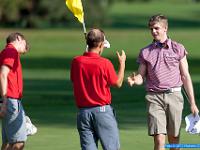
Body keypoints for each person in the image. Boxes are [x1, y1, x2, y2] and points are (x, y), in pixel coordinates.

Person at [127, 14, 199, 150]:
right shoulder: (145, 52)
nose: (153, 31)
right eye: (151, 29)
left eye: (156, 28)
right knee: (159, 140)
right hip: (154, 98)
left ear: (165, 28)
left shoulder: (178, 48)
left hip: (174, 97)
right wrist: (135, 80)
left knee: (174, 140)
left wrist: (193, 103)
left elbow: (185, 76)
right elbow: (141, 75)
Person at [70, 28, 126, 150]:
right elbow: (118, 83)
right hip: (102, 112)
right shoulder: (105, 63)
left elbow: (75, 79)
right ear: (100, 44)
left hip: (83, 114)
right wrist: (122, 64)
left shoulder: (76, 61)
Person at [0, 32, 29, 150]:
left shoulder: (5, 52)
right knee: (18, 143)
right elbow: (2, 74)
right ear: (18, 38)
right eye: (24, 44)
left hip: (9, 100)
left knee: (8, 143)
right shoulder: (11, 52)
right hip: (10, 100)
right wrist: (5, 101)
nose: (25, 48)